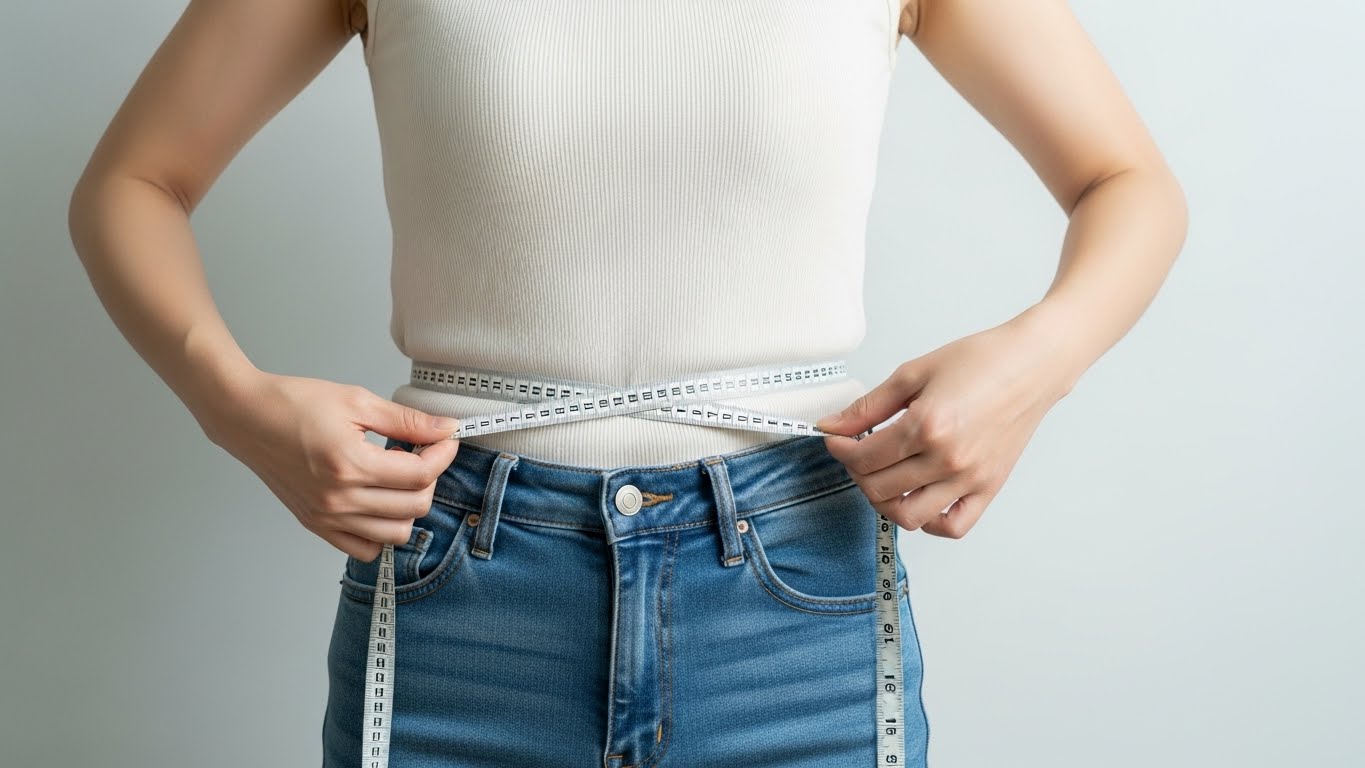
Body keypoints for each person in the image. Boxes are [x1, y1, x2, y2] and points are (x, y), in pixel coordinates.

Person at [67, 0, 1187, 765]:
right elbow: (135, 181)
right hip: (460, 591)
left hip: (796, 603)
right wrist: (233, 406)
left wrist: (1035, 365)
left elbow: (1126, 180)